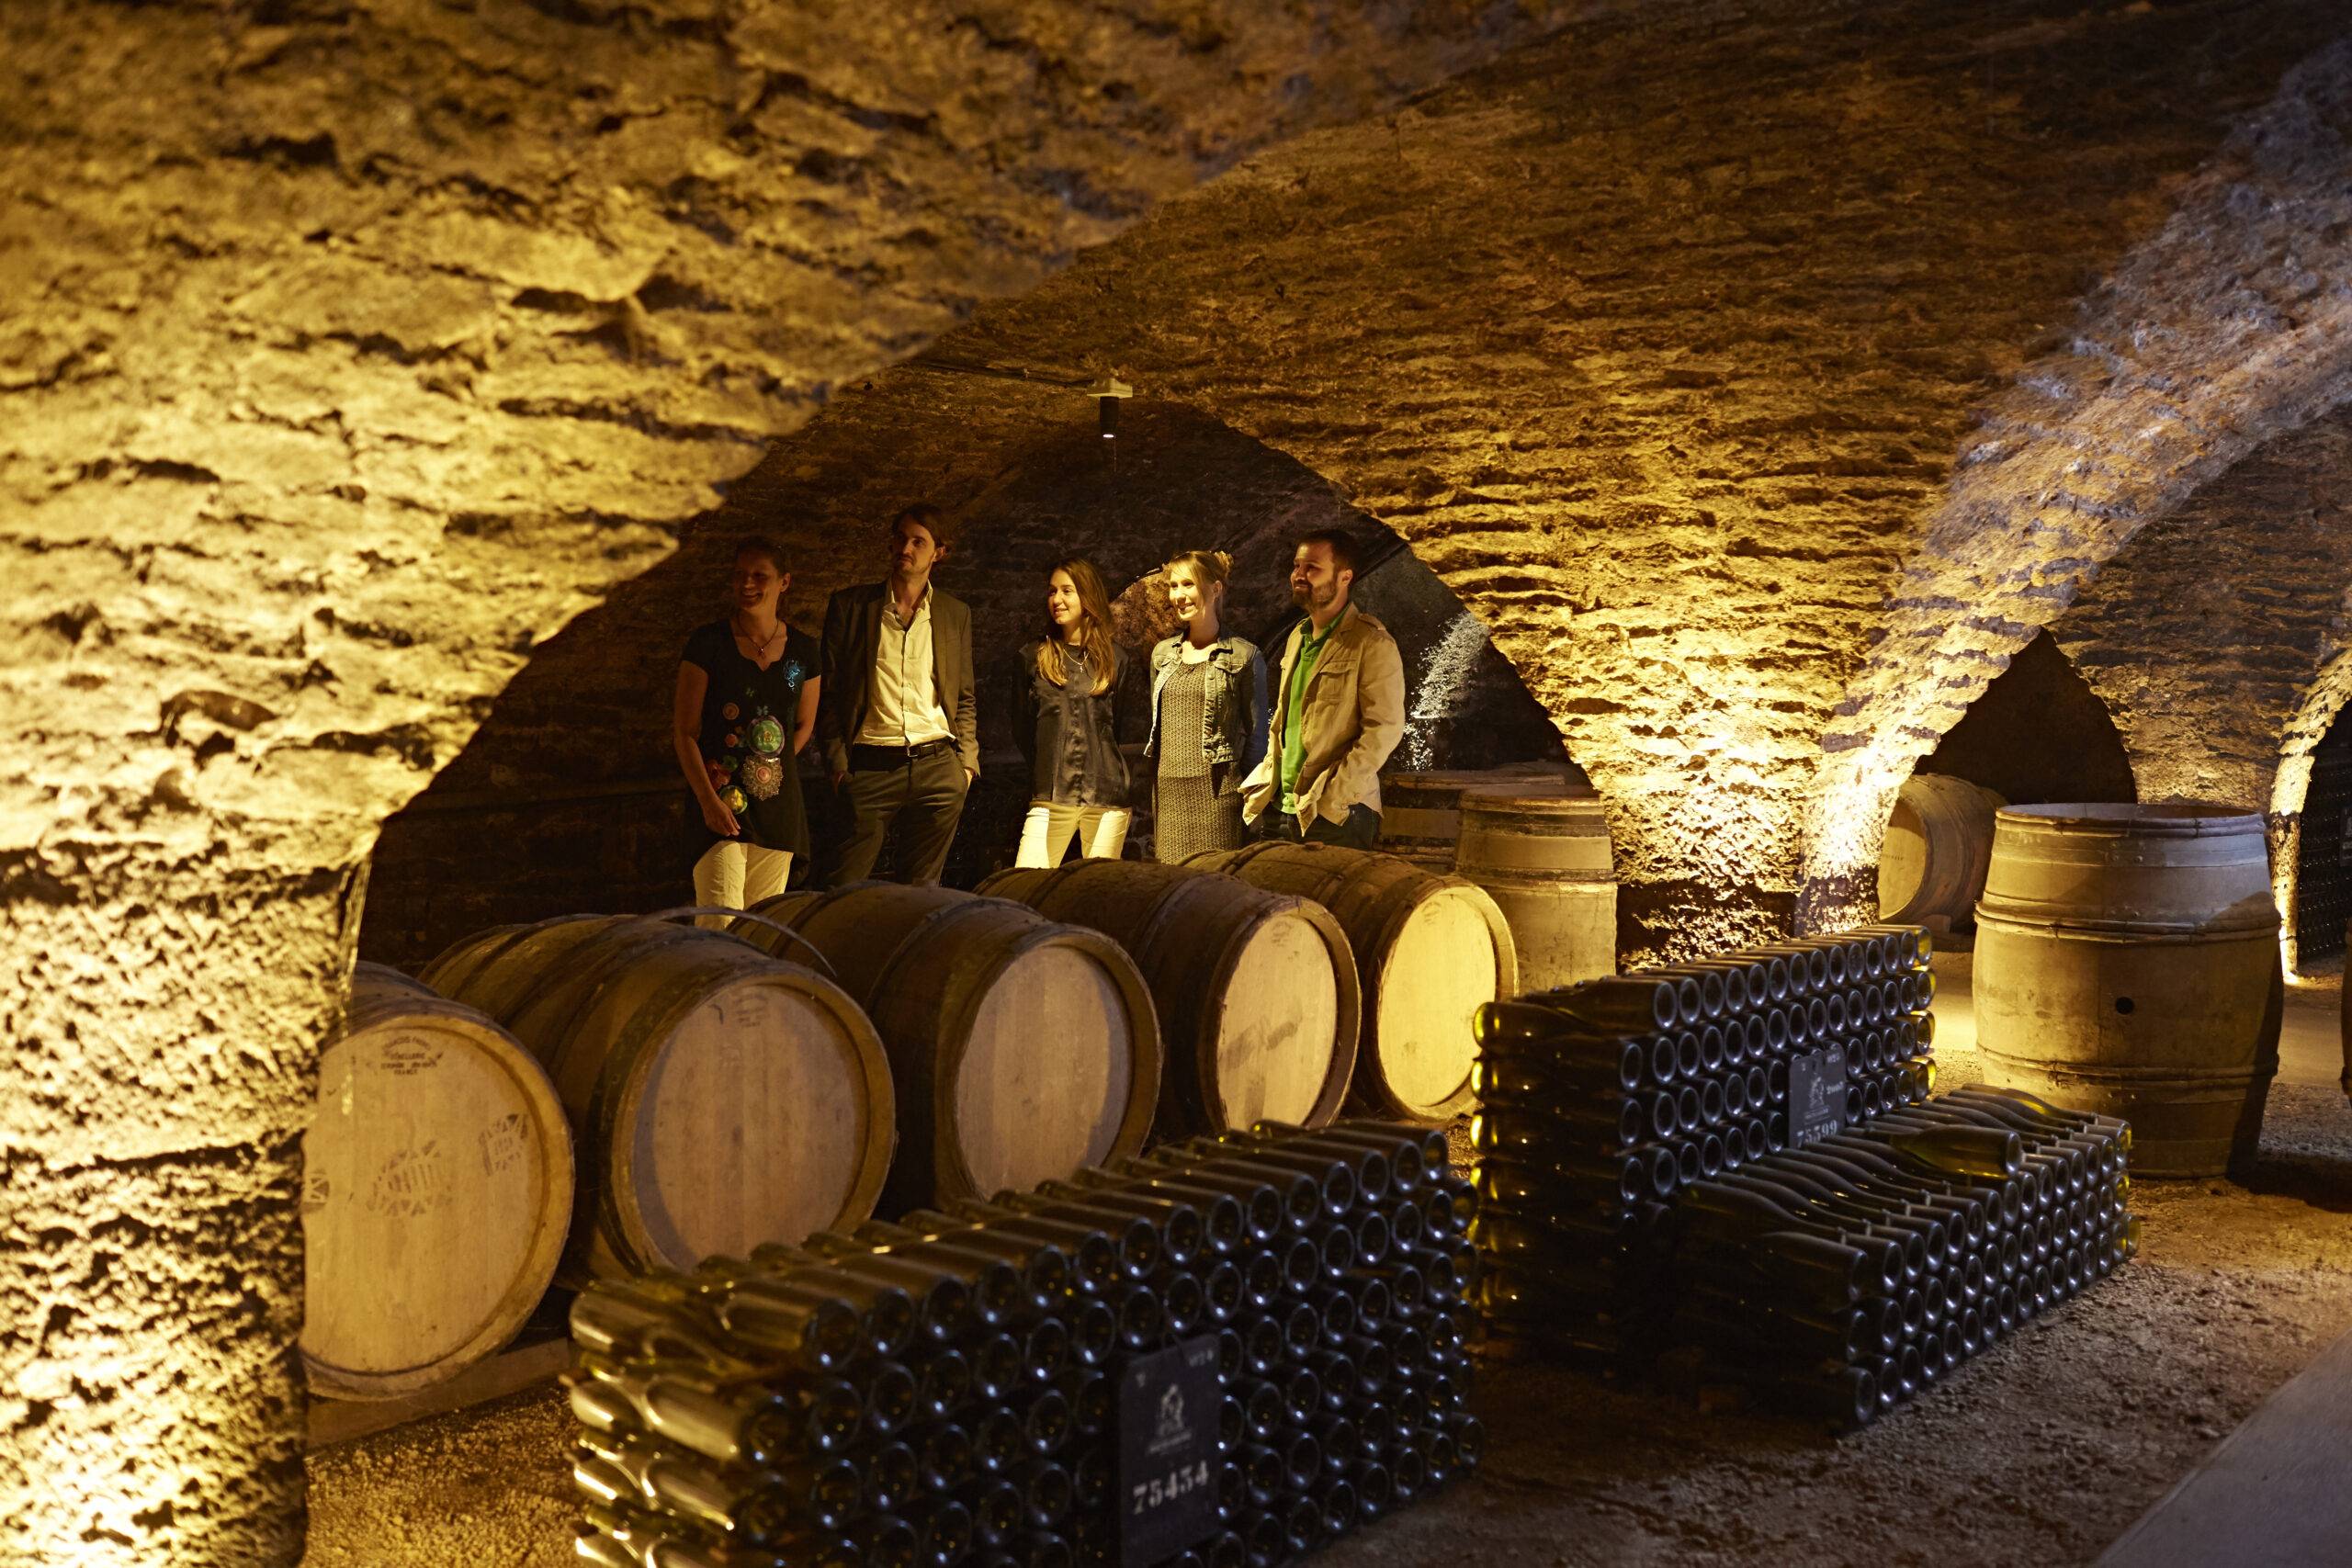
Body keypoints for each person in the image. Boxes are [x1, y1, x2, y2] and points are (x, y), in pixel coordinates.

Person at [818, 503, 978, 886]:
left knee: (921, 891)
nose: (905, 548)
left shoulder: (954, 613)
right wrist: (839, 766)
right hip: (870, 766)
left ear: (938, 553)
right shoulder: (852, 607)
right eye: (900, 538)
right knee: (843, 886)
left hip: (938, 765)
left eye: (918, 541)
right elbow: (830, 693)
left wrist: (966, 766)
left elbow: (964, 695)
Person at [673, 536, 820, 924]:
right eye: (740, 575)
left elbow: (803, 725)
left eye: (759, 576)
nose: (747, 584)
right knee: (720, 922)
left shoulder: (803, 651)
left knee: (762, 927)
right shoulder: (709, 644)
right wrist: (708, 801)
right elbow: (685, 731)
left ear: (784, 582)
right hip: (720, 806)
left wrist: (769, 765)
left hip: (777, 811)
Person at [1241, 529, 1406, 849]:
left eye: (1312, 568)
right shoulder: (1297, 637)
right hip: (1281, 806)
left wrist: (1337, 794)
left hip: (1333, 813)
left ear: (1345, 577)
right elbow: (1285, 721)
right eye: (1296, 566)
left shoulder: (1371, 642)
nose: (1299, 575)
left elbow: (1384, 729)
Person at [1144, 548, 1267, 862]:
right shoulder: (1162, 654)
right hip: (1169, 795)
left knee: (1217, 882)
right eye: (1173, 586)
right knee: (1172, 885)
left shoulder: (1244, 655)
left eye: (1188, 584)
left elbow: (1257, 736)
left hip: (1219, 795)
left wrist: (1249, 797)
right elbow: (1159, 731)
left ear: (1215, 589)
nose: (1178, 595)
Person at [1012, 558, 1134, 867]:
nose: (1057, 599)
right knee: (1026, 880)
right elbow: (1022, 726)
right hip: (1051, 795)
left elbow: (1115, 728)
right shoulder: (1033, 656)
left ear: (1087, 596)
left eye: (1067, 591)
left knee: (1099, 888)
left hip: (1106, 795)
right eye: (1052, 591)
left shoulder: (1116, 659)